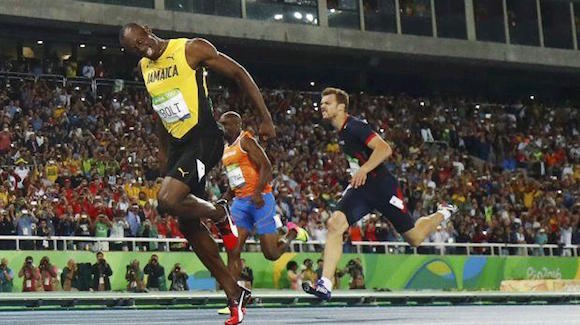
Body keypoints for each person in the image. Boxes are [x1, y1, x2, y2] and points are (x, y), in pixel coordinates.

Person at [119, 23, 275, 324]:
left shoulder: (190, 49)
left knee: (166, 200)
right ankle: (235, 293)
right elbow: (160, 107)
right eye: (135, 48)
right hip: (179, 146)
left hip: (204, 138)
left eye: (143, 40)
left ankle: (219, 214)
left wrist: (265, 118)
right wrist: (163, 150)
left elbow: (239, 73)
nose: (143, 48)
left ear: (149, 30)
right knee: (188, 225)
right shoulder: (144, 67)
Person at [303, 88, 457, 300]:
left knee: (415, 238)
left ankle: (443, 212)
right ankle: (325, 284)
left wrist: (364, 169)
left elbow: (384, 149)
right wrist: (360, 172)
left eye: (327, 103)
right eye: (322, 103)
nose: (322, 106)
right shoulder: (340, 133)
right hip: (362, 188)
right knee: (334, 224)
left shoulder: (355, 126)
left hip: (383, 188)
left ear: (341, 107)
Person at [217, 111, 308, 314]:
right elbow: (235, 179)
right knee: (233, 250)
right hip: (240, 204)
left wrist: (258, 192)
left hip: (261, 201)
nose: (221, 126)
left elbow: (266, 166)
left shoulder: (246, 140)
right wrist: (225, 198)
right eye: (220, 123)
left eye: (225, 123)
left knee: (271, 253)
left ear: (236, 124)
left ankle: (293, 233)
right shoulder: (224, 149)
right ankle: (233, 300)